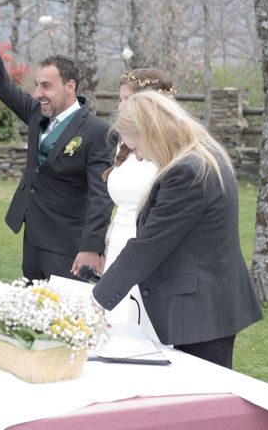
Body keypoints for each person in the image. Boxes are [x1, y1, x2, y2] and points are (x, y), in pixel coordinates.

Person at [87, 90, 263, 368]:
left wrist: (96, 301)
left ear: (151, 132)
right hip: (210, 300)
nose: (140, 157)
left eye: (135, 147)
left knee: (203, 397)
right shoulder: (201, 155)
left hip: (203, 308)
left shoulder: (188, 171)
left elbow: (149, 245)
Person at [0, 0, 114, 281]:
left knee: (62, 318)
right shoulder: (37, 113)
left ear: (70, 86)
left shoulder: (98, 131)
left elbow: (101, 196)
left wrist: (91, 246)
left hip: (68, 243)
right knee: (30, 307)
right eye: (37, 85)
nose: (37, 93)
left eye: (46, 86)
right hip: (33, 234)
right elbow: (1, 85)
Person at [101, 69, 177, 339]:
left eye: (128, 99)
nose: (122, 106)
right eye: (120, 99)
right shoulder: (126, 141)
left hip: (147, 241)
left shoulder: (168, 150)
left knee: (141, 326)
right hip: (118, 241)